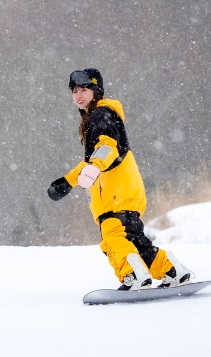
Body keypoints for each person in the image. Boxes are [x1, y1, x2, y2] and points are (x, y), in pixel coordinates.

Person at [47, 68, 193, 290]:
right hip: (127, 192)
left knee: (113, 238)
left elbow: (108, 147)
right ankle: (173, 272)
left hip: (114, 195)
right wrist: (68, 181)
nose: (78, 95)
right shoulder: (104, 115)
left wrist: (95, 166)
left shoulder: (100, 115)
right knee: (136, 243)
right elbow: (94, 159)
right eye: (75, 91)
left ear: (96, 90)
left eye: (84, 89)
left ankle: (133, 276)